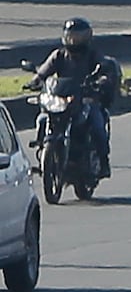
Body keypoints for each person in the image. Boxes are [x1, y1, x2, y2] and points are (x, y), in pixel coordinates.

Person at [24, 15, 119, 190]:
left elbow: (104, 68)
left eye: (78, 37)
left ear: (87, 37)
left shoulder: (93, 55)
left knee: (97, 125)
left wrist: (103, 80)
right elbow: (45, 70)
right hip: (62, 99)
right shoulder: (59, 55)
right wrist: (36, 79)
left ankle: (103, 162)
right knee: (42, 118)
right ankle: (44, 148)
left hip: (85, 99)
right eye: (70, 36)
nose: (73, 40)